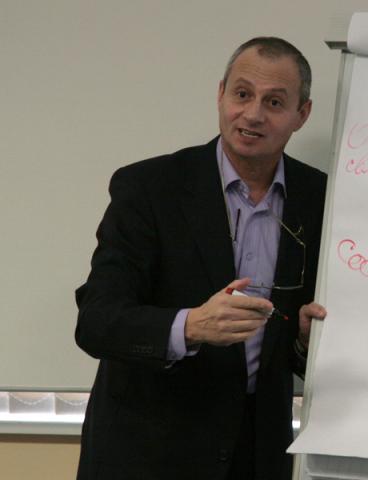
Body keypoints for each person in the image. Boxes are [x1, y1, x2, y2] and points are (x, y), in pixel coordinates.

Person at [75, 36, 327, 480]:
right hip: (148, 454)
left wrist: (308, 341)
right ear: (221, 94)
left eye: (274, 102)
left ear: (301, 114)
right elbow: (96, 321)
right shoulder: (150, 188)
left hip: (257, 455)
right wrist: (191, 326)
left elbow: (288, 348)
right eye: (242, 94)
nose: (253, 114)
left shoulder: (321, 198)